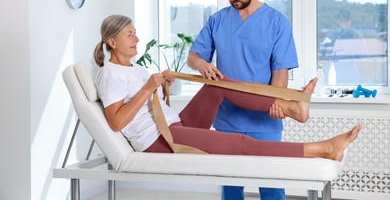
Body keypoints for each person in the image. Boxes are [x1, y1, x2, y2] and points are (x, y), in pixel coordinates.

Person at [92, 14, 361, 170]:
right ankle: (324, 148)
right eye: (130, 34)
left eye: (135, 33)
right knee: (238, 144)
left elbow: (149, 108)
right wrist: (148, 89)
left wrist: (161, 90)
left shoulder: (135, 68)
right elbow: (116, 122)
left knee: (217, 85)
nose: (137, 39)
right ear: (112, 41)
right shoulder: (110, 74)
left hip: (173, 124)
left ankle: (291, 106)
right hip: (158, 140)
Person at [187, 0, 298, 199]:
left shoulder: (277, 22)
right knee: (230, 186)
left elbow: (280, 72)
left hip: (264, 120)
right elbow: (193, 56)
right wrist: (203, 64)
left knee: (271, 186)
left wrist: (276, 103)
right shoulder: (217, 20)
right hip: (227, 119)